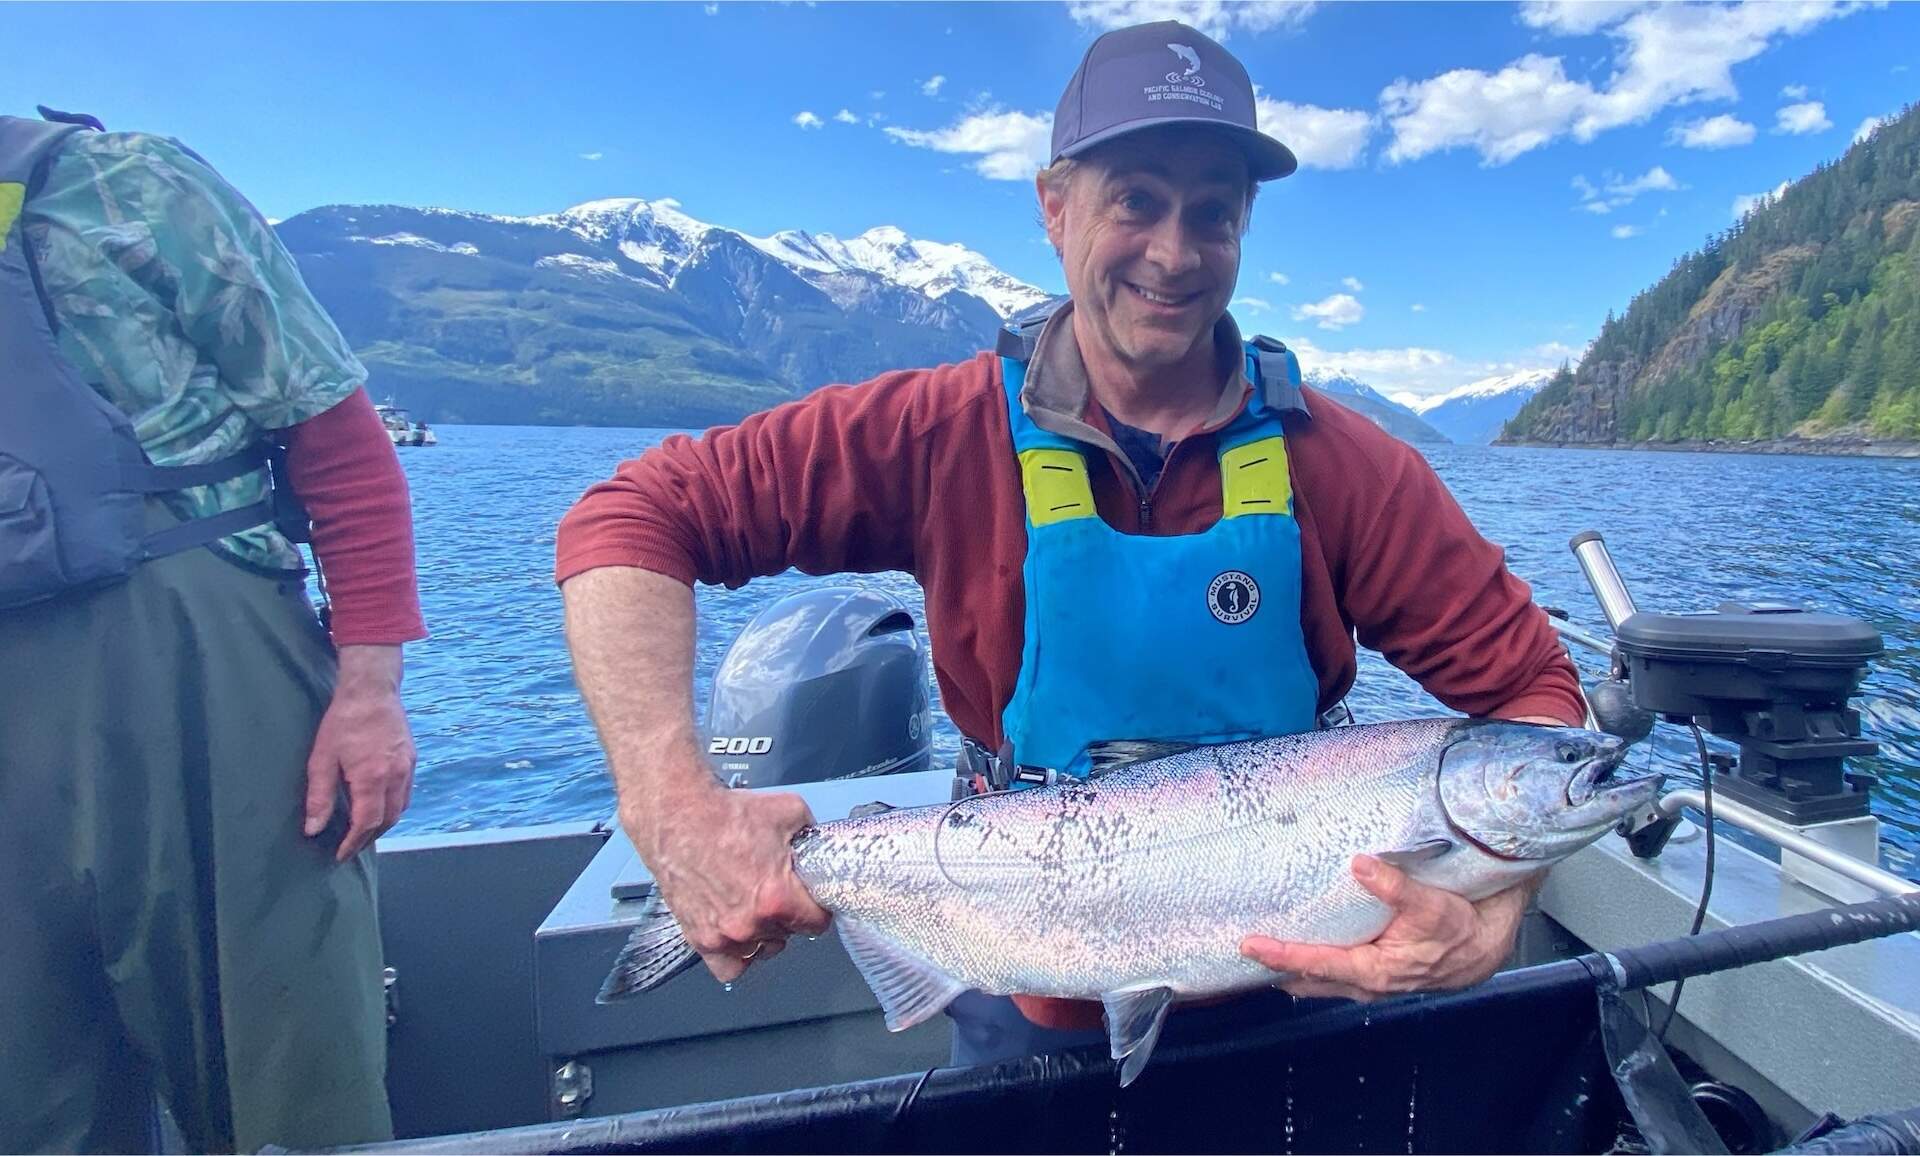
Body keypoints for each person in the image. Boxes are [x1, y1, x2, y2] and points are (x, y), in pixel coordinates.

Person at [555, 20, 1584, 1067]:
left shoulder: (1345, 462)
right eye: (1136, 198)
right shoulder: (934, 431)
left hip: (1307, 1008)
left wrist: (1496, 914)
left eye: (1212, 214)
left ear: (1245, 228)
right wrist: (672, 803)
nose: (1175, 254)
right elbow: (631, 517)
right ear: (1054, 207)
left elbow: (1540, 692)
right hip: (1025, 986)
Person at [0, 109, 426, 1153]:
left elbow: (340, 442)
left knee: (291, 1073)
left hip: (212, 669)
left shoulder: (128, 184)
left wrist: (369, 694)